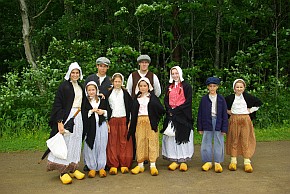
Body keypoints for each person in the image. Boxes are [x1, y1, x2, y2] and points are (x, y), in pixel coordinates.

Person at [46, 62, 86, 184]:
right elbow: (58, 104)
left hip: (78, 116)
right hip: (67, 116)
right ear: (69, 73)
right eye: (73, 72)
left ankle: (72, 168)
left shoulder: (80, 86)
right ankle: (63, 171)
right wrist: (59, 122)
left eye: (77, 72)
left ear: (80, 74)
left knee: (76, 141)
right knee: (66, 142)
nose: (75, 75)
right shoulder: (64, 86)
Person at [127, 77, 165, 176]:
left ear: (149, 87)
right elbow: (132, 112)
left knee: (152, 141)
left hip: (150, 121)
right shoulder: (136, 99)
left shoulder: (153, 98)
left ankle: (153, 164)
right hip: (139, 122)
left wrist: (155, 119)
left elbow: (161, 110)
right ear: (138, 87)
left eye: (145, 86)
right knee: (140, 141)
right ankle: (140, 164)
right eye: (141, 86)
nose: (143, 88)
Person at [225, 79, 262, 173]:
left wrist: (251, 110)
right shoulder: (229, 98)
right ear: (234, 88)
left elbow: (259, 103)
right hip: (234, 119)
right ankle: (233, 161)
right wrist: (227, 111)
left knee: (245, 139)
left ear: (244, 88)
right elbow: (222, 106)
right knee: (234, 139)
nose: (239, 88)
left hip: (245, 119)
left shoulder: (248, 97)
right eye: (237, 87)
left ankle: (247, 161)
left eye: (241, 87)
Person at [161, 66, 194, 172]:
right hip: (171, 115)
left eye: (176, 73)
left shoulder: (187, 86)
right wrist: (169, 110)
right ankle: (174, 159)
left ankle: (183, 160)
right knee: (171, 137)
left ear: (180, 73)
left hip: (183, 116)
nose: (175, 75)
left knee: (182, 137)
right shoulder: (169, 87)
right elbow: (166, 100)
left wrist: (177, 110)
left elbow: (188, 101)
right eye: (173, 73)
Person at [197, 77, 228, 173]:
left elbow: (224, 114)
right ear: (207, 87)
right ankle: (208, 161)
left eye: (214, 86)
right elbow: (200, 113)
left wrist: (224, 128)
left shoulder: (221, 99)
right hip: (207, 121)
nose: (212, 88)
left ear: (217, 87)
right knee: (206, 141)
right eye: (210, 86)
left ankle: (217, 162)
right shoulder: (204, 99)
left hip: (218, 121)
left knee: (219, 141)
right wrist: (200, 127)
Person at [106, 73, 133, 175]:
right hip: (112, 120)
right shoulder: (108, 94)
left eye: (119, 81)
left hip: (123, 120)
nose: (117, 83)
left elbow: (130, 108)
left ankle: (124, 164)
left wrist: (130, 121)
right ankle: (113, 164)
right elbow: (105, 108)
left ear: (122, 82)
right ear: (112, 82)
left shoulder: (126, 94)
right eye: (115, 81)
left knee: (124, 141)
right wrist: (106, 122)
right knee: (112, 142)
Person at [82, 81, 109, 178]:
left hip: (101, 126)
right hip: (90, 127)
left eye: (93, 89)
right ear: (86, 91)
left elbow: (108, 111)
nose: (91, 92)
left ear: (96, 90)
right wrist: (90, 112)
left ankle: (101, 166)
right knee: (90, 146)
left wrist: (103, 112)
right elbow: (83, 114)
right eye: (89, 90)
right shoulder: (85, 102)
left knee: (101, 145)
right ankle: (92, 167)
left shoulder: (102, 100)